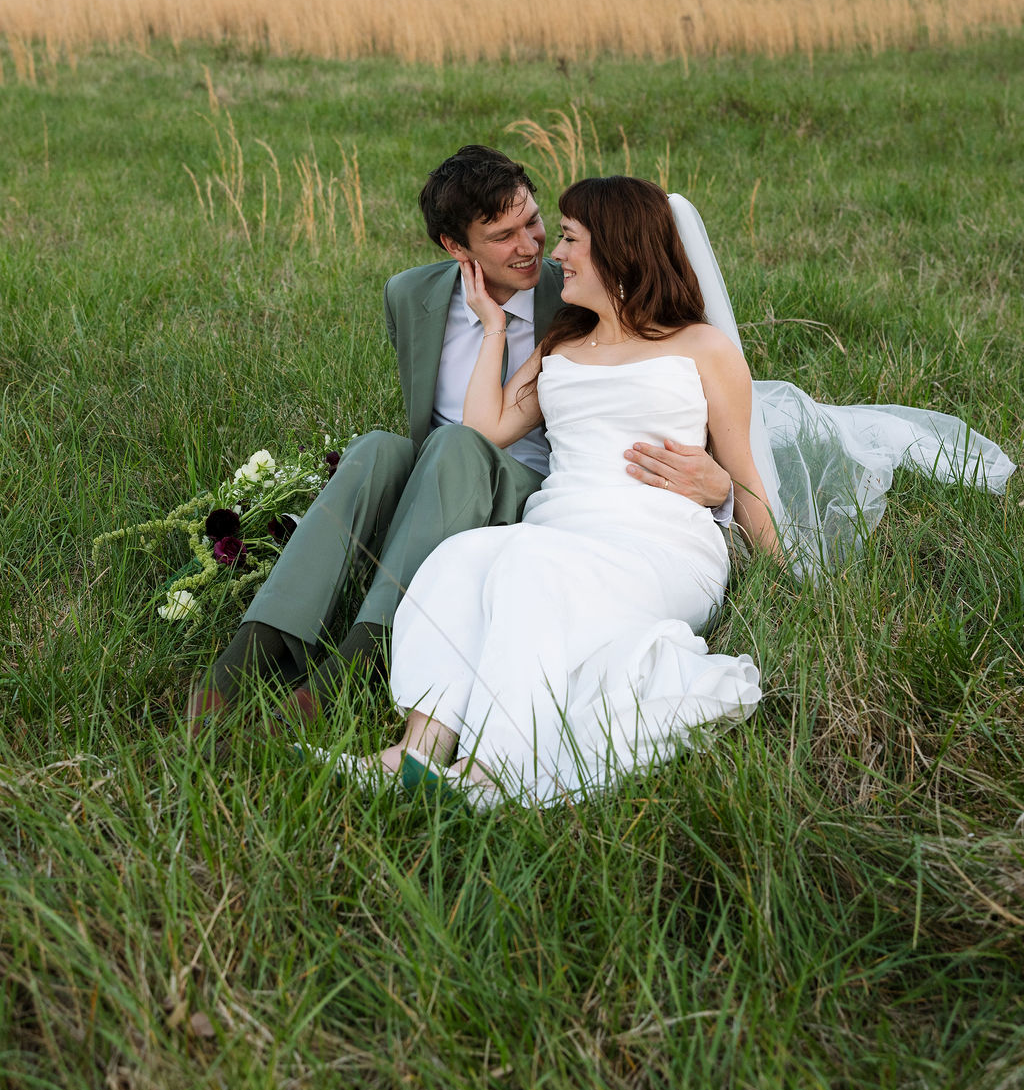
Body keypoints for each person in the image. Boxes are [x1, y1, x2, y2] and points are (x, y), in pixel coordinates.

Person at [188, 149, 732, 735]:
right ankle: (247, 658)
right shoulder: (410, 296)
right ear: (457, 247)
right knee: (375, 447)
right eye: (503, 235)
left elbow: (661, 398)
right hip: (442, 482)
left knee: (457, 447)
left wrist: (720, 484)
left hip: (540, 492)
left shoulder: (577, 291)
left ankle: (355, 666)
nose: (532, 245)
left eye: (533, 221)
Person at [338, 177, 777, 807]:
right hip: (563, 528)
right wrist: (493, 326)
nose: (555, 254)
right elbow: (485, 428)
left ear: (620, 251)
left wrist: (762, 543)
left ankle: (495, 765)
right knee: (462, 559)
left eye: (569, 239)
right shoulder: (562, 344)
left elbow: (747, 482)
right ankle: (418, 749)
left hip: (661, 544)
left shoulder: (702, 347)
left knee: (526, 566)